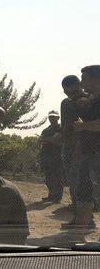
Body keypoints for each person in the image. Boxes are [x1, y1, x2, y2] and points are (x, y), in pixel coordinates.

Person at [65, 65, 100, 230]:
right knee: (84, 192)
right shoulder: (92, 100)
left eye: (85, 79)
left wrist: (82, 125)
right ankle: (81, 227)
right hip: (89, 152)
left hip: (96, 154)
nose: (82, 83)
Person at [60, 75, 88, 215]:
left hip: (87, 148)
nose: (71, 95)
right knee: (74, 181)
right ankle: (80, 213)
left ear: (81, 86)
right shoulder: (66, 103)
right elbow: (66, 127)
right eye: (68, 93)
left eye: (74, 92)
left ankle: (84, 217)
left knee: (84, 183)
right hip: (70, 147)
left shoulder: (91, 100)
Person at [39, 111, 63, 203]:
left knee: (57, 177)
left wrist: (47, 139)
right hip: (45, 155)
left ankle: (57, 198)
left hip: (56, 156)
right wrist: (50, 139)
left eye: (54, 117)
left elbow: (56, 140)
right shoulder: (46, 129)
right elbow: (42, 140)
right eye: (50, 117)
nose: (52, 118)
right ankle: (51, 195)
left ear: (58, 118)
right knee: (48, 177)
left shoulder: (60, 128)